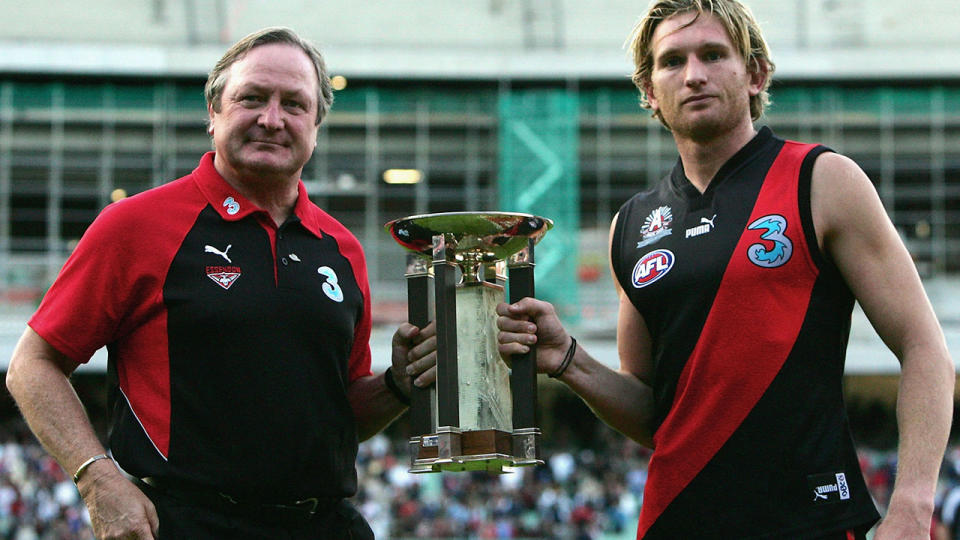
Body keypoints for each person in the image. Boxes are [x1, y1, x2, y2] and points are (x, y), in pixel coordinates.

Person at [497, 1, 954, 538]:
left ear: (755, 74)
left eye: (714, 54)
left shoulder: (822, 180)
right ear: (649, 90)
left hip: (812, 522)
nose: (694, 75)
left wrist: (913, 505)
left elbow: (925, 349)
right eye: (672, 62)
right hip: (677, 519)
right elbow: (655, 414)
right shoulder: (634, 223)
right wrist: (568, 360)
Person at [5, 27, 435, 539]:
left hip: (326, 525)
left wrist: (396, 387)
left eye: (294, 104)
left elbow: (339, 415)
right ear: (213, 113)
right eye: (251, 98)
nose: (271, 119)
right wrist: (97, 478)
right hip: (186, 523)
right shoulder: (137, 225)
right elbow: (32, 365)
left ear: (316, 126)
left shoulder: (342, 249)